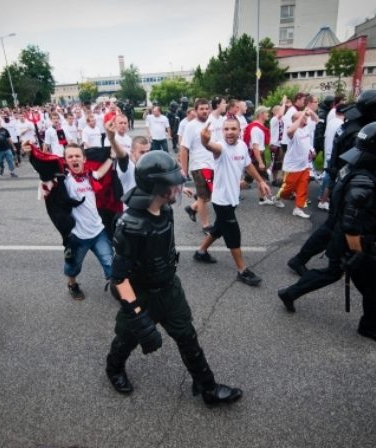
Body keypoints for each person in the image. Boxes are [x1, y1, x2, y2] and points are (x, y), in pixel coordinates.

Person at [105, 151, 243, 405]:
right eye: (172, 184)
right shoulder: (131, 225)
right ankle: (113, 369)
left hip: (169, 289)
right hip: (140, 294)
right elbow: (118, 277)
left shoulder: (165, 209)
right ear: (157, 187)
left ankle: (208, 388)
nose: (178, 187)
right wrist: (138, 315)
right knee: (127, 339)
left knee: (187, 337)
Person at [278, 122, 376, 345]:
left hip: (340, 237)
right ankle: (369, 326)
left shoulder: (357, 167)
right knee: (375, 286)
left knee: (332, 272)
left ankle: (290, 292)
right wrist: (357, 252)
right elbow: (352, 223)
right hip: (356, 241)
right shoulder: (362, 181)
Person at [286, 89, 376, 275]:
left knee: (331, 226)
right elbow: (355, 159)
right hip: (347, 181)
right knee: (334, 226)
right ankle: (309, 261)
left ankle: (302, 259)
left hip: (342, 178)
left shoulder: (354, 122)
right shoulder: (358, 129)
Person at [193, 117, 271, 286]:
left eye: (233, 129)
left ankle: (201, 252)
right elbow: (210, 146)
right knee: (233, 234)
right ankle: (242, 271)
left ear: (239, 131)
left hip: (233, 198)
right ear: (222, 131)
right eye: (226, 129)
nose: (229, 132)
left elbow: (248, 165)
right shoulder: (220, 148)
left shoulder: (242, 146)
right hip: (222, 201)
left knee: (219, 228)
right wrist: (204, 141)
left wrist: (261, 181)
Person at [61, 144, 114, 300]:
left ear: (84, 159)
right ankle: (72, 284)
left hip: (98, 232)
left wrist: (111, 157)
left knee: (110, 263)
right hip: (77, 237)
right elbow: (48, 185)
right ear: (65, 161)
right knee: (73, 267)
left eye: (77, 156)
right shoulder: (65, 182)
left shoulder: (90, 176)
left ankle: (120, 291)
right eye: (70, 157)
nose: (74, 159)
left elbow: (101, 171)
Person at [273, 109, 318, 218]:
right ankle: (277, 198)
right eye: (303, 117)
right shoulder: (292, 131)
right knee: (287, 188)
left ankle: (298, 208)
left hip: (304, 166)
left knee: (303, 187)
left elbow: (316, 120)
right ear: (296, 120)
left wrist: (310, 111)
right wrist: (301, 115)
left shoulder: (306, 128)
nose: (305, 118)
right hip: (292, 167)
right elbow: (289, 131)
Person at [180, 98, 213, 232]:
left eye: (206, 108)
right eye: (201, 109)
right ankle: (206, 226)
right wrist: (184, 170)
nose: (205, 111)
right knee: (203, 197)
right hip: (199, 166)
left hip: (213, 164)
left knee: (210, 195)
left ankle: (192, 208)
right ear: (196, 111)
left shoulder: (212, 122)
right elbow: (183, 148)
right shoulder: (191, 126)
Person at [242, 105, 272, 205]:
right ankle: (227, 191)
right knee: (248, 180)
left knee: (261, 178)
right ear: (261, 114)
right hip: (256, 156)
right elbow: (255, 146)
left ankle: (263, 198)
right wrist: (260, 162)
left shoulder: (259, 127)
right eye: (266, 113)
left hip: (258, 155)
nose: (268, 114)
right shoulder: (256, 129)